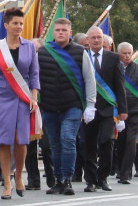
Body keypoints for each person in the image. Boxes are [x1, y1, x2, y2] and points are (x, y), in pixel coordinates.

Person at [0, 8, 39, 199]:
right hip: (2, 97)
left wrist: (34, 97)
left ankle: (19, 174)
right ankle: (7, 183)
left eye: (21, 23)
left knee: (21, 140)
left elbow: (34, 74)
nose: (19, 27)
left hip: (23, 97)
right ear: (6, 25)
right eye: (15, 23)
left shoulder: (29, 47)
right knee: (4, 140)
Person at [37, 18, 96, 196]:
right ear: (53, 33)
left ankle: (68, 179)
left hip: (72, 105)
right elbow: (34, 78)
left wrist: (91, 105)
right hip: (49, 105)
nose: (60, 33)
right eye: (57, 30)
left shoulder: (80, 52)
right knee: (54, 145)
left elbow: (89, 79)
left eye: (64, 30)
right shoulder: (43, 52)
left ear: (70, 33)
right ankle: (57, 179)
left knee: (68, 140)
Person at [80, 26, 127, 192]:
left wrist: (123, 110)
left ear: (103, 39)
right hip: (89, 108)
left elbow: (119, 85)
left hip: (108, 109)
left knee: (106, 141)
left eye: (99, 37)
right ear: (87, 40)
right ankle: (90, 180)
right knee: (88, 144)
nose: (96, 40)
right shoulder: (82, 56)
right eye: (92, 38)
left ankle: (103, 177)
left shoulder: (113, 58)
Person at [115, 41, 138, 185]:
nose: (127, 56)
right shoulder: (114, 68)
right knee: (120, 141)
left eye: (129, 53)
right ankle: (119, 168)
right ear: (119, 54)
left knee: (131, 141)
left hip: (135, 112)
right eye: (124, 53)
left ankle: (126, 173)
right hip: (118, 112)